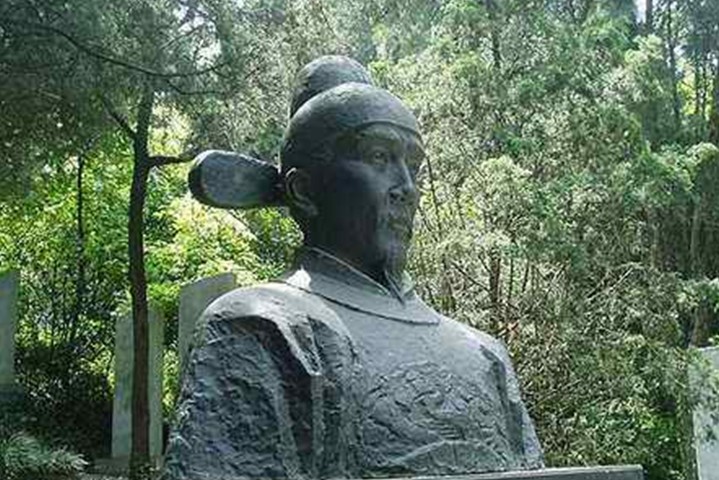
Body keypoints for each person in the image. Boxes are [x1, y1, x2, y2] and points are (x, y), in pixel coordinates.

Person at [163, 55, 543, 480]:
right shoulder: (265, 326)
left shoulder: (485, 354)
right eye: (379, 157)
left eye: (413, 166)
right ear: (303, 190)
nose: (407, 188)